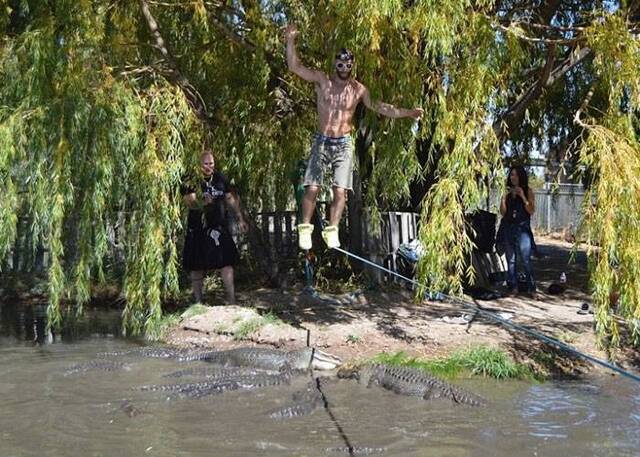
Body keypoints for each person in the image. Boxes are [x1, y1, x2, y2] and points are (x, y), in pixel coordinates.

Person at [285, 24, 423, 250]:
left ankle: (333, 229)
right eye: (339, 64)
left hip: (343, 143)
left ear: (352, 65)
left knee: (341, 191)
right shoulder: (322, 80)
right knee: (312, 187)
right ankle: (305, 229)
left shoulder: (359, 89)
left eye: (347, 64)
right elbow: (294, 66)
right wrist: (290, 40)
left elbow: (381, 107)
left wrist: (409, 113)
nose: (343, 68)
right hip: (322, 139)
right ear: (334, 64)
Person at [181, 151, 248, 304]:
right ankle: (198, 302)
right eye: (205, 164)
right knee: (196, 265)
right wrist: (202, 202)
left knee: (227, 262)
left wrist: (240, 218)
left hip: (219, 226)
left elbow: (230, 198)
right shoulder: (190, 180)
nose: (209, 167)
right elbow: (189, 202)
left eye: (211, 163)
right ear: (199, 165)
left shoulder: (220, 178)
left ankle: (231, 300)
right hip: (197, 227)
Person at [498, 166, 537, 298]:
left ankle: (532, 288)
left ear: (521, 176)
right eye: (511, 175)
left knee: (526, 259)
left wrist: (523, 197)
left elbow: (531, 210)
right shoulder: (507, 192)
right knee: (511, 260)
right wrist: (503, 199)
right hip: (508, 227)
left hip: (522, 228)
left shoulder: (528, 191)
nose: (513, 177)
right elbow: (503, 213)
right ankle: (513, 287)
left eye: (516, 175)